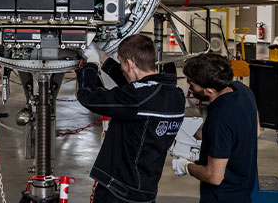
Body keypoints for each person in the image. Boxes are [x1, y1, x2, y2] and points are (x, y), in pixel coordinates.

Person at [76, 34, 185, 203]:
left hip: (119, 193)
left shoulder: (138, 99)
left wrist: (91, 62)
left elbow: (88, 96)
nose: (121, 69)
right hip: (145, 189)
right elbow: (134, 87)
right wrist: (103, 56)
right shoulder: (175, 95)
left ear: (130, 64)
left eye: (121, 64)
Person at [172, 53, 260, 203]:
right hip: (244, 192)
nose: (190, 88)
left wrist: (186, 166)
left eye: (192, 85)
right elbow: (256, 131)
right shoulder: (242, 90)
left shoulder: (219, 118)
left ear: (210, 91)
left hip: (222, 197)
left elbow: (214, 177)